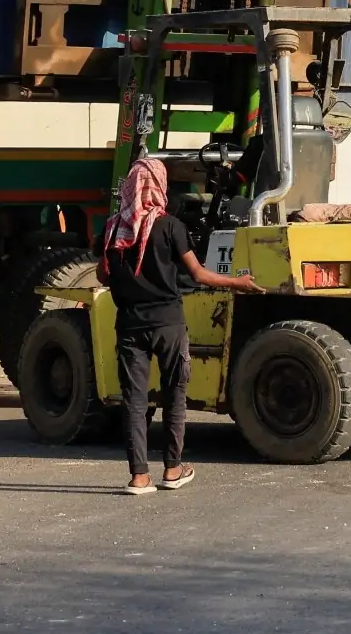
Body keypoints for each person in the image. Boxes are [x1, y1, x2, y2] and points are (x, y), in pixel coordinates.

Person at [101, 158, 262, 496]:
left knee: (134, 399)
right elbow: (198, 274)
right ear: (159, 186)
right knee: (175, 395)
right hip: (169, 324)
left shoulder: (114, 228)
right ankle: (173, 469)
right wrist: (239, 282)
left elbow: (103, 274)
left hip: (130, 324)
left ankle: (139, 477)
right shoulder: (171, 226)